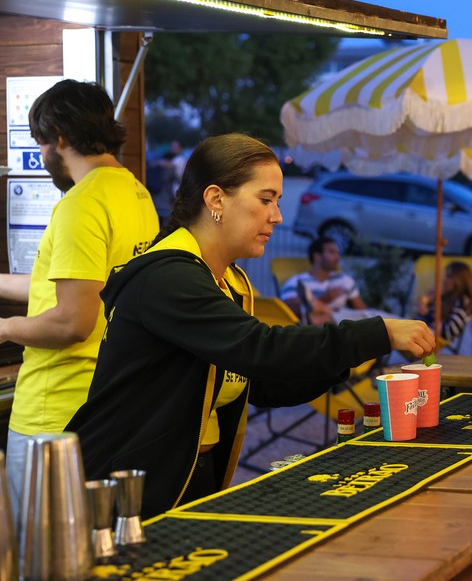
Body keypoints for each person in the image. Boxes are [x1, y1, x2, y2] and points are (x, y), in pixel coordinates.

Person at [65, 133, 434, 518]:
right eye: (265, 199)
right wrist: (377, 332)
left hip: (185, 477)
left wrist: (347, 360)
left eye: (277, 201)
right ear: (215, 199)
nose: (277, 216)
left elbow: (260, 380)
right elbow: (260, 348)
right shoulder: (168, 277)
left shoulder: (226, 280)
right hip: (122, 488)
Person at [0, 80, 160, 522]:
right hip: (108, 402)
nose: (42, 155)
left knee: (42, 554)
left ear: (60, 136)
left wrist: (5, 328)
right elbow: (76, 284)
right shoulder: (133, 192)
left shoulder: (80, 204)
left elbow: (72, 321)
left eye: (40, 143)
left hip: (54, 413)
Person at [280, 238, 367, 325]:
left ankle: (324, 318)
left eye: (338, 253)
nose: (337, 257)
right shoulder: (297, 282)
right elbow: (288, 308)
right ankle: (324, 316)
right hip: (318, 328)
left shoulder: (345, 280)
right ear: (317, 256)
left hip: (341, 327)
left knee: (372, 315)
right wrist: (325, 299)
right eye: (332, 252)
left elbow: (362, 309)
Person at [415, 261, 472, 351]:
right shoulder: (446, 298)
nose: (444, 280)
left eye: (449, 276)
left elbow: (448, 332)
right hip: (428, 339)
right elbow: (419, 318)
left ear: (459, 281)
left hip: (441, 347)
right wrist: (428, 300)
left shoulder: (463, 302)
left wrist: (427, 313)